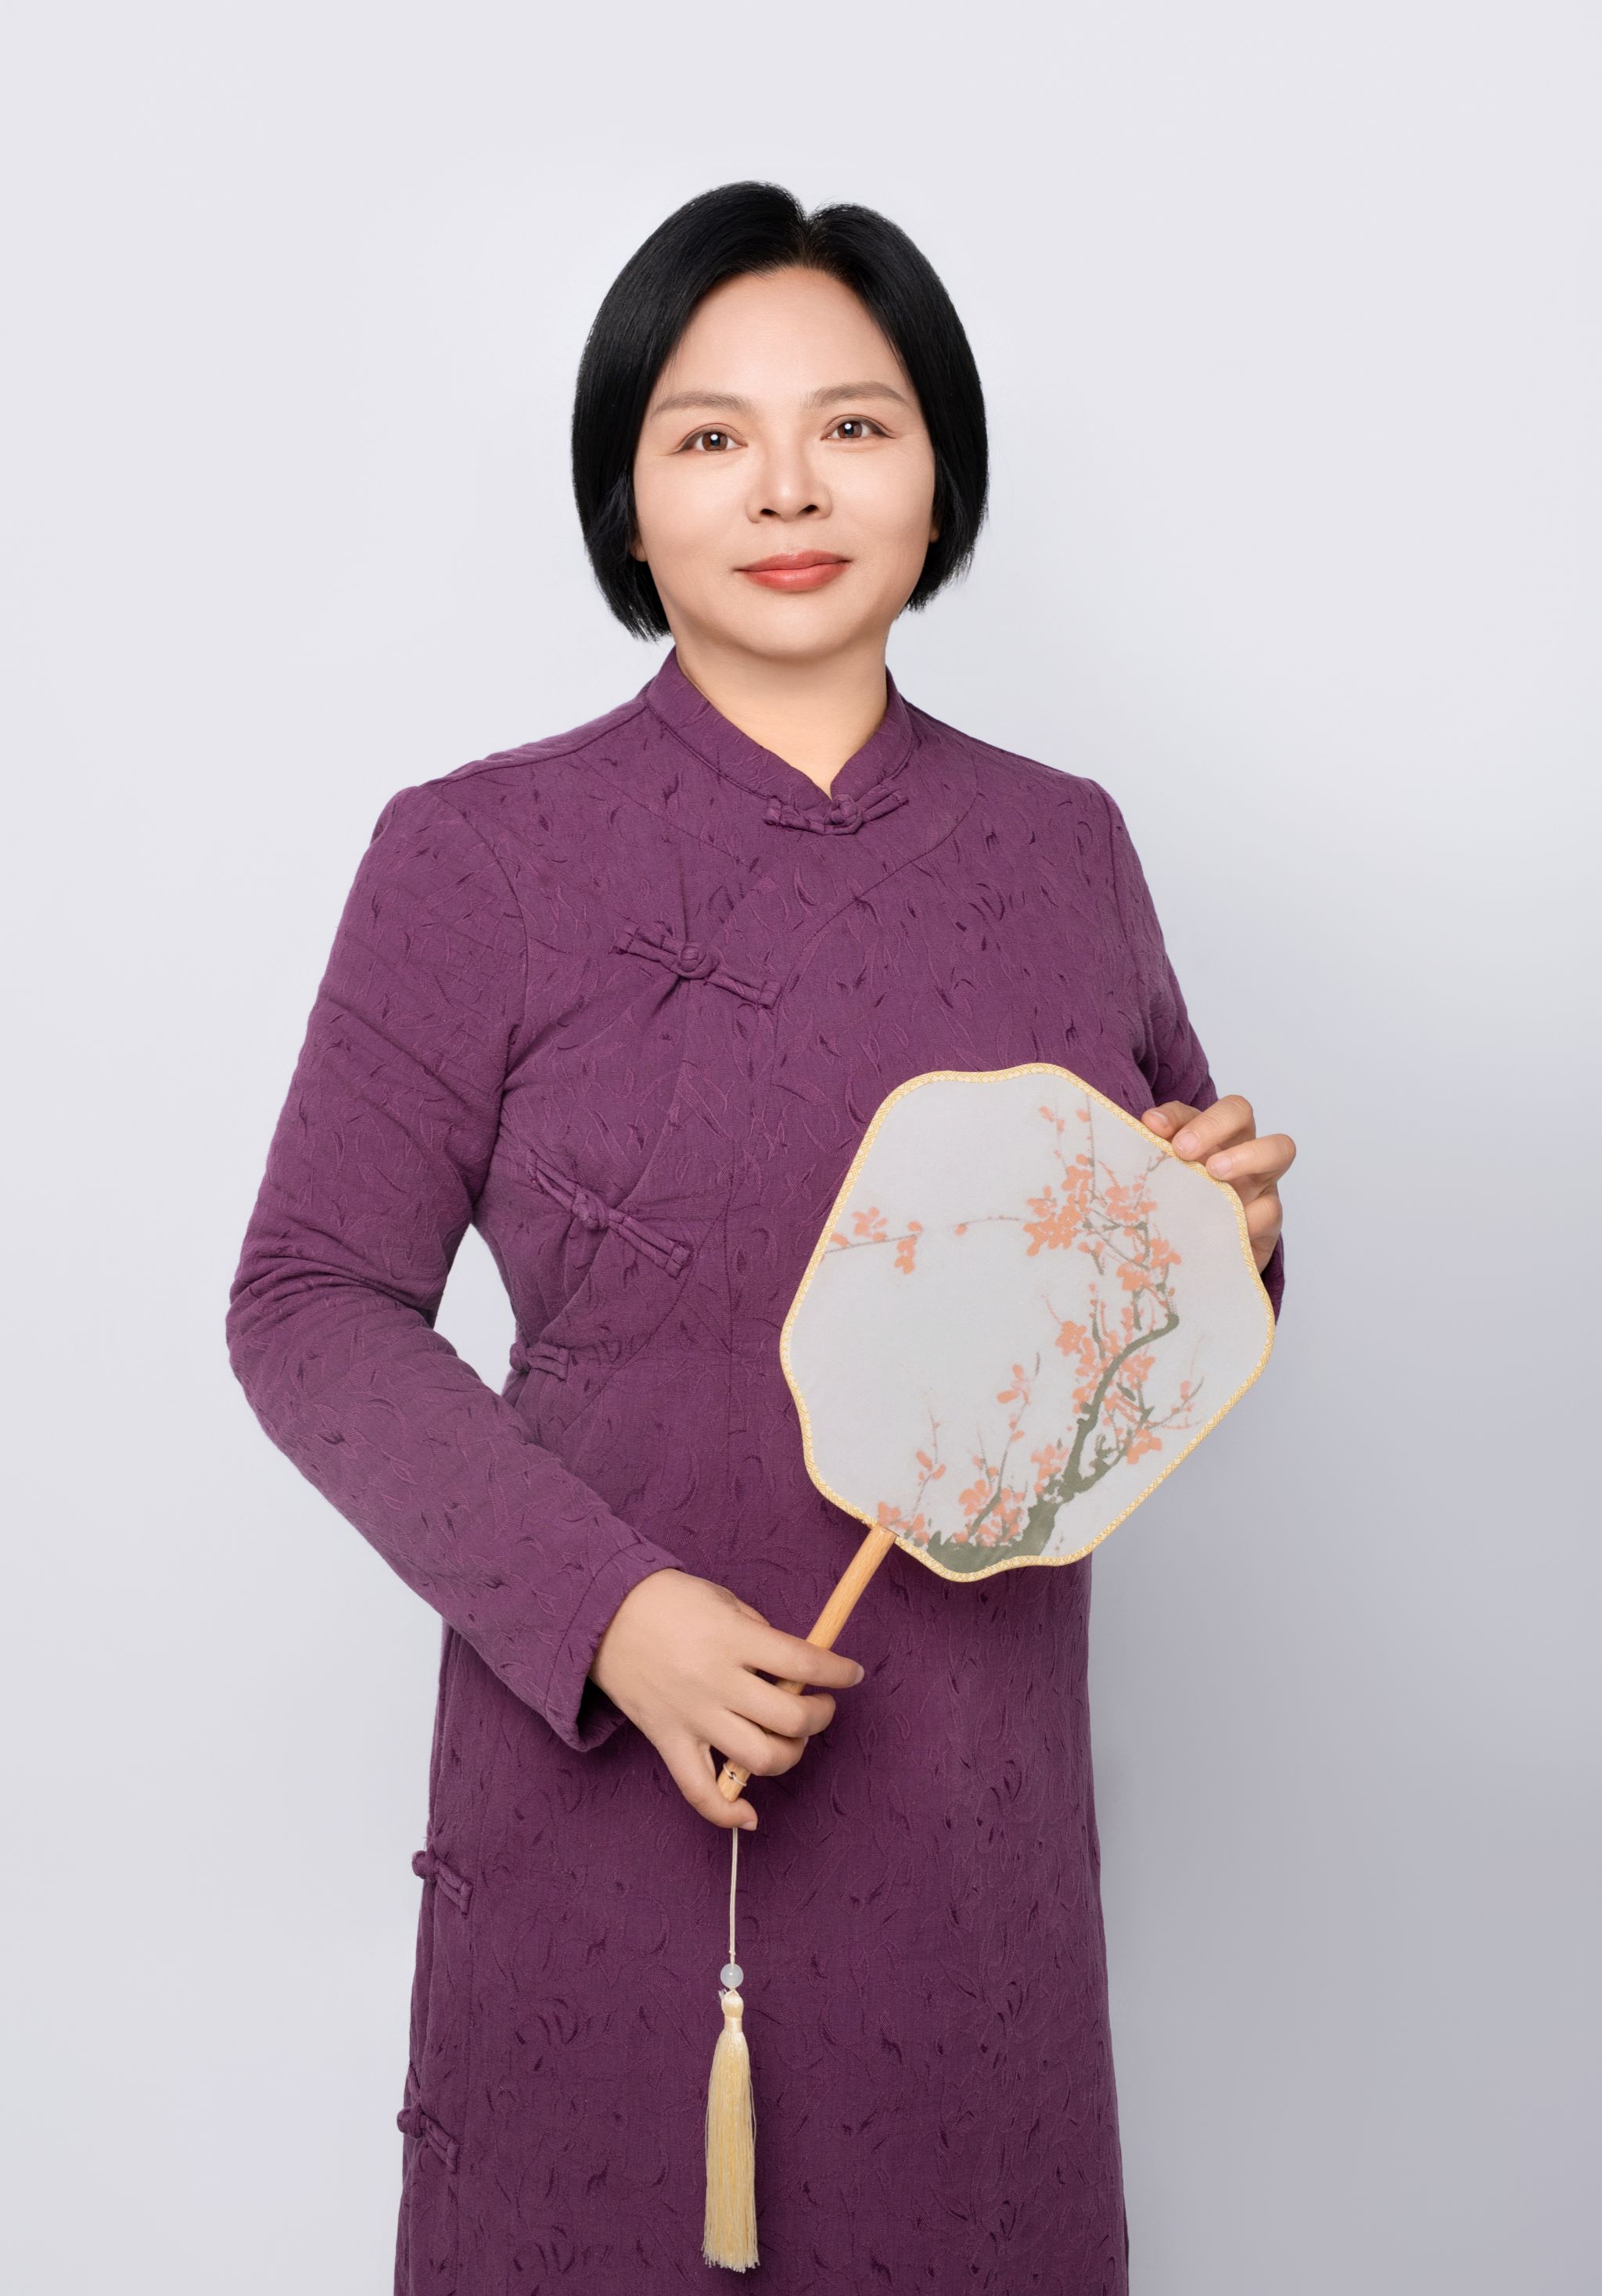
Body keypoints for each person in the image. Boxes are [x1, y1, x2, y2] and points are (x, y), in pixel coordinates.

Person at [226, 179, 1294, 2294]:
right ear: (626, 500)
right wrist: (612, 1616)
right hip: (601, 1800)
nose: (788, 488)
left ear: (939, 475)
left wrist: (1223, 1229)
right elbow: (310, 1301)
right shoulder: (472, 856)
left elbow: (1140, 1318)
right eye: (710, 434)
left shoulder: (1062, 848)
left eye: (854, 426)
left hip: (974, 1833)